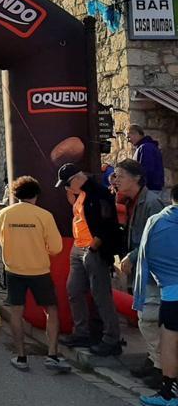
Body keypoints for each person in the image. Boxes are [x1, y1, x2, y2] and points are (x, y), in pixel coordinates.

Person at [0, 176, 70, 372]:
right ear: (36, 195)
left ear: (15, 194)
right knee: (51, 310)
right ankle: (52, 354)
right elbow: (56, 247)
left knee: (16, 312)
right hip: (39, 270)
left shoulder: (4, 213)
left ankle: (21, 357)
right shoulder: (44, 215)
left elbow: (2, 241)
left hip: (13, 269)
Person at [55, 163, 123, 357]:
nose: (67, 189)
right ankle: (82, 333)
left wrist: (94, 246)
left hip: (94, 249)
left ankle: (111, 339)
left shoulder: (100, 193)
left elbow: (108, 223)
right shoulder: (83, 193)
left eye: (67, 185)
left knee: (101, 294)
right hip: (79, 247)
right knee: (74, 290)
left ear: (77, 179)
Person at [113, 159, 167, 383]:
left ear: (136, 178)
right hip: (141, 268)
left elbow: (152, 238)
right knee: (146, 317)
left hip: (152, 270)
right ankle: (154, 360)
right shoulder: (132, 200)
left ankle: (162, 367)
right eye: (115, 176)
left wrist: (131, 256)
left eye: (120, 176)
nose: (116, 180)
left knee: (149, 318)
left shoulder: (151, 203)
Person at [133, 185, 178, 406]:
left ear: (172, 199)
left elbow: (145, 256)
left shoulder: (157, 222)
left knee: (169, 344)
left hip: (170, 294)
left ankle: (169, 394)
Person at [128, 124, 165, 196]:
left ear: (136, 134)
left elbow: (146, 170)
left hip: (149, 189)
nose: (128, 140)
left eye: (129, 137)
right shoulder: (146, 147)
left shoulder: (145, 147)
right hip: (151, 189)